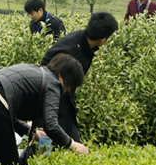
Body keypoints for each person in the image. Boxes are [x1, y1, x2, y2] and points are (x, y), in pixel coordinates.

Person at [0, 54, 89, 165]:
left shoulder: (34, 70)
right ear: (63, 77)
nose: (66, 91)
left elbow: (6, 115)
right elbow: (51, 125)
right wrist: (73, 145)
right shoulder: (53, 83)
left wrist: (30, 131)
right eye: (70, 86)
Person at [40, 11, 119, 142]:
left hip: (64, 96)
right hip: (51, 97)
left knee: (70, 139)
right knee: (49, 140)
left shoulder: (83, 42)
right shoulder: (72, 52)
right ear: (103, 39)